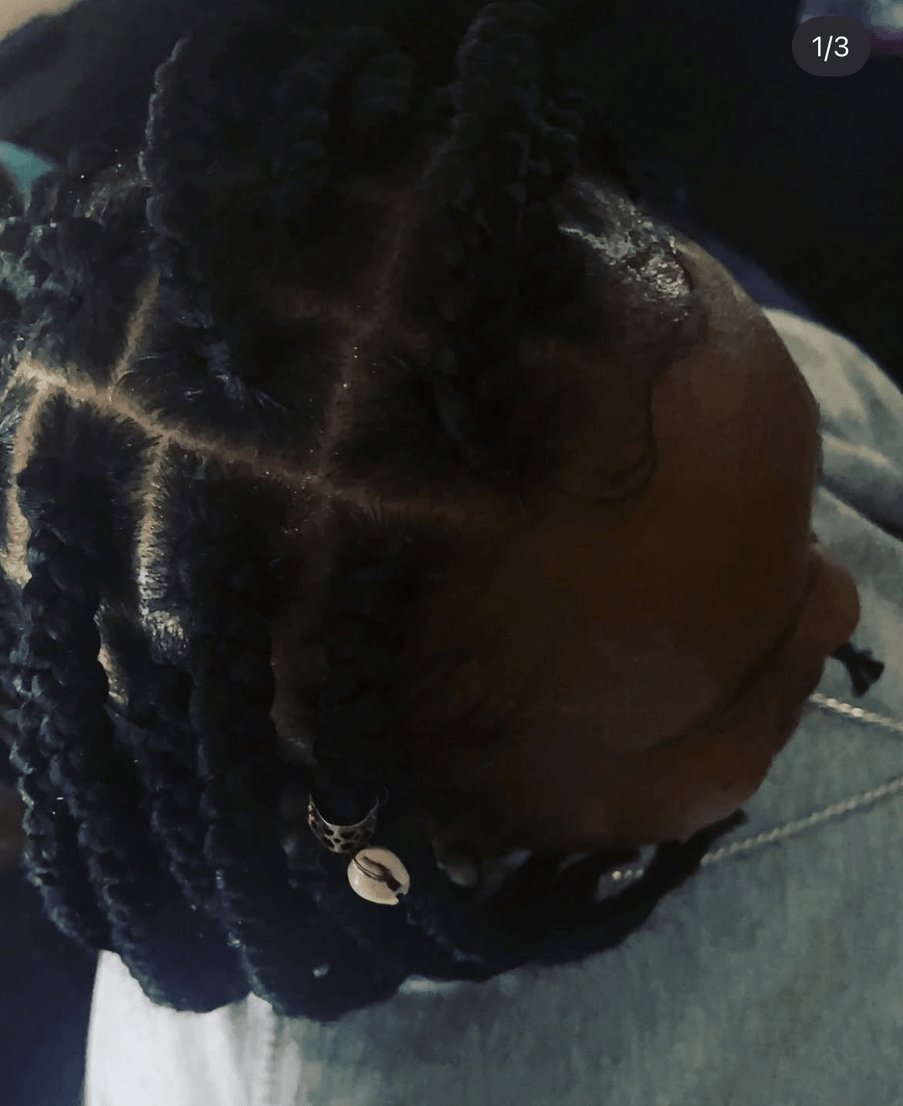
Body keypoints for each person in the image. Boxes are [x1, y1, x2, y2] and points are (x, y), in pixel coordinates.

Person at [0, 1, 897, 1102]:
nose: (847, 602)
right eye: (742, 684)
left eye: (808, 504)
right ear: (391, 830)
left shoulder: (665, 397)